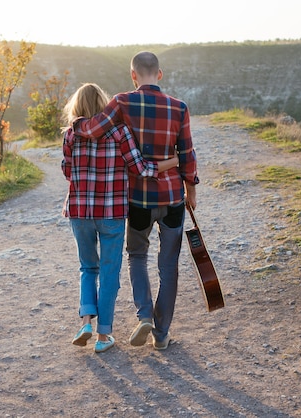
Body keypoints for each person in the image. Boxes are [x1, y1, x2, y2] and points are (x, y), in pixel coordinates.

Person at [73, 52, 199, 350]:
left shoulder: (122, 102)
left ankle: (144, 314)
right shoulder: (179, 108)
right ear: (159, 74)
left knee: (137, 256)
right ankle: (162, 333)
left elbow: (92, 130)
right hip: (172, 198)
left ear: (133, 75)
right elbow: (188, 154)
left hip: (138, 199)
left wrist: (74, 125)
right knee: (169, 266)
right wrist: (191, 190)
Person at [62, 82, 179, 353]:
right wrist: (173, 162)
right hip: (111, 213)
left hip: (79, 212)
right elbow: (140, 168)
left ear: (76, 107)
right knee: (109, 271)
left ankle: (85, 323)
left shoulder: (70, 135)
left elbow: (67, 171)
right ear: (103, 105)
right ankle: (104, 336)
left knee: (87, 268)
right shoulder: (119, 131)